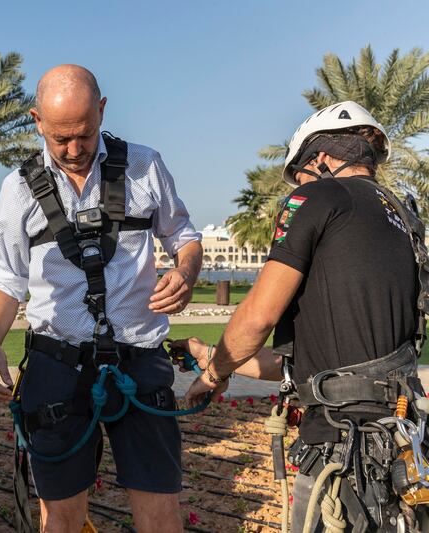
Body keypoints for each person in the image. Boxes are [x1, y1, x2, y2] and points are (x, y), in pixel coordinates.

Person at [174, 101, 429, 532]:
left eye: (301, 175)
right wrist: (210, 354)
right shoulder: (404, 220)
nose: (296, 187)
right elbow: (314, 365)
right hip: (401, 441)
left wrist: (214, 376)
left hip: (342, 449)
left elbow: (257, 316)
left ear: (323, 159)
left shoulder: (318, 195)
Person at [0, 64, 203, 533]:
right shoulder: (18, 188)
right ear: (36, 120)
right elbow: (8, 275)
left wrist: (185, 271)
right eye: (61, 139)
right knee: (60, 515)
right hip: (55, 365)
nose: (75, 150)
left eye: (84, 133)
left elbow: (183, 235)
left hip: (139, 363)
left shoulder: (144, 165)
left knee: (160, 512)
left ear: (101, 111)